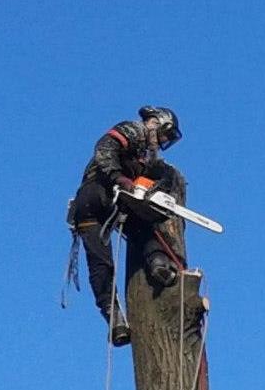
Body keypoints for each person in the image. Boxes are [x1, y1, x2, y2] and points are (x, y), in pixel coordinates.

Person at [68, 106, 184, 345]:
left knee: (141, 229)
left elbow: (160, 176)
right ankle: (114, 316)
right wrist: (118, 177)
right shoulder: (133, 131)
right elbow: (104, 149)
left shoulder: (149, 159)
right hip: (96, 194)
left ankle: (157, 263)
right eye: (164, 134)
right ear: (157, 123)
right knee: (101, 262)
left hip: (116, 201)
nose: (162, 141)